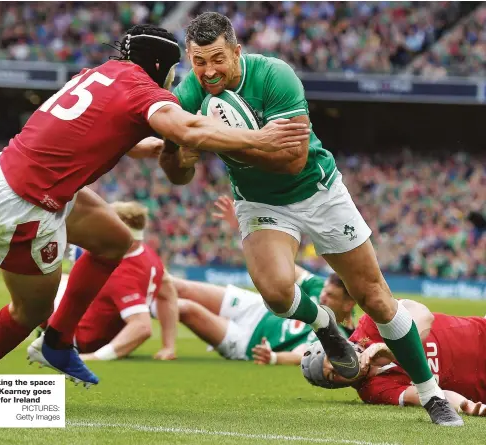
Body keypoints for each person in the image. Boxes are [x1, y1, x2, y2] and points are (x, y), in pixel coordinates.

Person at [0, 24, 309, 402]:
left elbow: (117, 134)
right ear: (160, 65)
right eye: (174, 69)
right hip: (26, 204)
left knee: (116, 242)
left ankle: (57, 342)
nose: (174, 79)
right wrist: (258, 138)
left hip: (25, 176)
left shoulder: (102, 74)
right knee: (31, 308)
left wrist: (159, 148)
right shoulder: (142, 89)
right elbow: (187, 127)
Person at [160, 12, 462, 425]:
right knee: (277, 294)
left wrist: (220, 140)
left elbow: (292, 160)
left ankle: (432, 395)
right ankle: (326, 326)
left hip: (318, 192)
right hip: (258, 202)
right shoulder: (189, 94)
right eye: (199, 61)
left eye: (217, 59)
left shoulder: (275, 77)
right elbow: (179, 176)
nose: (208, 71)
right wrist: (179, 154)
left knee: (375, 297)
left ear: (237, 52)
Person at [37, 201, 178, 362]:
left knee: (46, 281)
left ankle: (44, 332)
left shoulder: (120, 271)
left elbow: (142, 326)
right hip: (108, 334)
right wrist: (169, 346)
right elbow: (167, 292)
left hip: (80, 340)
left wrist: (95, 357)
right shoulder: (149, 255)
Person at [302, 300, 486, 418]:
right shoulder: (372, 391)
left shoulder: (370, 324)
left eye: (334, 359)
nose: (341, 368)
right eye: (334, 375)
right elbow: (430, 396)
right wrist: (465, 405)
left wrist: (393, 348)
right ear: (336, 386)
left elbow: (423, 314)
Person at [174, 267, 355, 365]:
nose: (323, 296)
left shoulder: (337, 335)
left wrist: (274, 358)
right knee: (180, 287)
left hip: (248, 341)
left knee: (184, 308)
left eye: (330, 295)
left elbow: (302, 355)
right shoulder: (317, 287)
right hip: (256, 308)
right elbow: (286, 266)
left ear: (348, 304)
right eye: (324, 291)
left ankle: (143, 312)